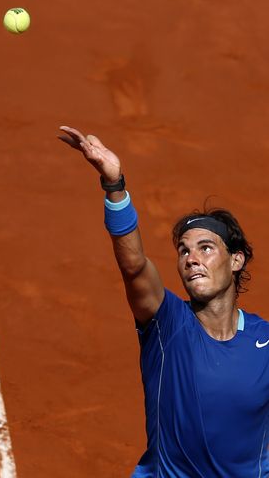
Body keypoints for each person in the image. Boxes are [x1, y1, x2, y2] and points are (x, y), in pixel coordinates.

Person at [58, 125, 269, 477]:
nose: (191, 258)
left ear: (235, 261)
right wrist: (115, 187)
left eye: (205, 248)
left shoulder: (264, 341)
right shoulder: (167, 323)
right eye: (183, 251)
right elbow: (134, 266)